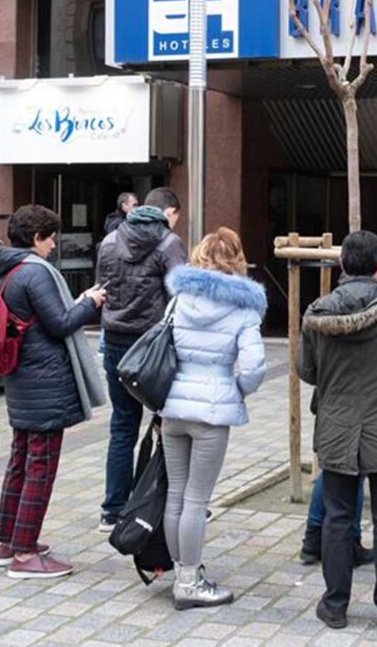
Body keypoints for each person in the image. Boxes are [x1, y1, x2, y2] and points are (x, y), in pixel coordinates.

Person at [300, 231, 377, 632]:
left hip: (337, 427)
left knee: (338, 517)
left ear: (341, 266)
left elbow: (308, 371)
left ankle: (335, 604)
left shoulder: (317, 311)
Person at [0, 205, 106, 579]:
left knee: (20, 461)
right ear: (36, 238)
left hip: (22, 380)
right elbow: (60, 323)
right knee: (41, 468)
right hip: (45, 384)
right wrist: (89, 303)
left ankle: (9, 542)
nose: (54, 244)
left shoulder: (5, 270)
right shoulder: (34, 273)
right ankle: (24, 554)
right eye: (50, 237)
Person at [159, 228, 267, 609]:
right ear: (236, 258)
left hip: (172, 408)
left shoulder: (179, 300)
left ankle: (180, 570)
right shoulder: (244, 307)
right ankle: (189, 583)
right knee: (196, 499)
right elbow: (254, 366)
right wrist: (236, 389)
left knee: (175, 495)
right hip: (211, 411)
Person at [299, 247, 377, 567]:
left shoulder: (322, 306)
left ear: (343, 263)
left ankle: (318, 549)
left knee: (336, 478)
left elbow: (306, 369)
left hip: (335, 407)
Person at [96, 187, 187, 532]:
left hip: (116, 343)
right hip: (155, 348)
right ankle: (163, 505)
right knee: (168, 426)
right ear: (169, 213)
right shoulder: (169, 244)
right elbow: (183, 296)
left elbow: (101, 290)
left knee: (122, 426)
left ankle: (113, 509)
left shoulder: (108, 242)